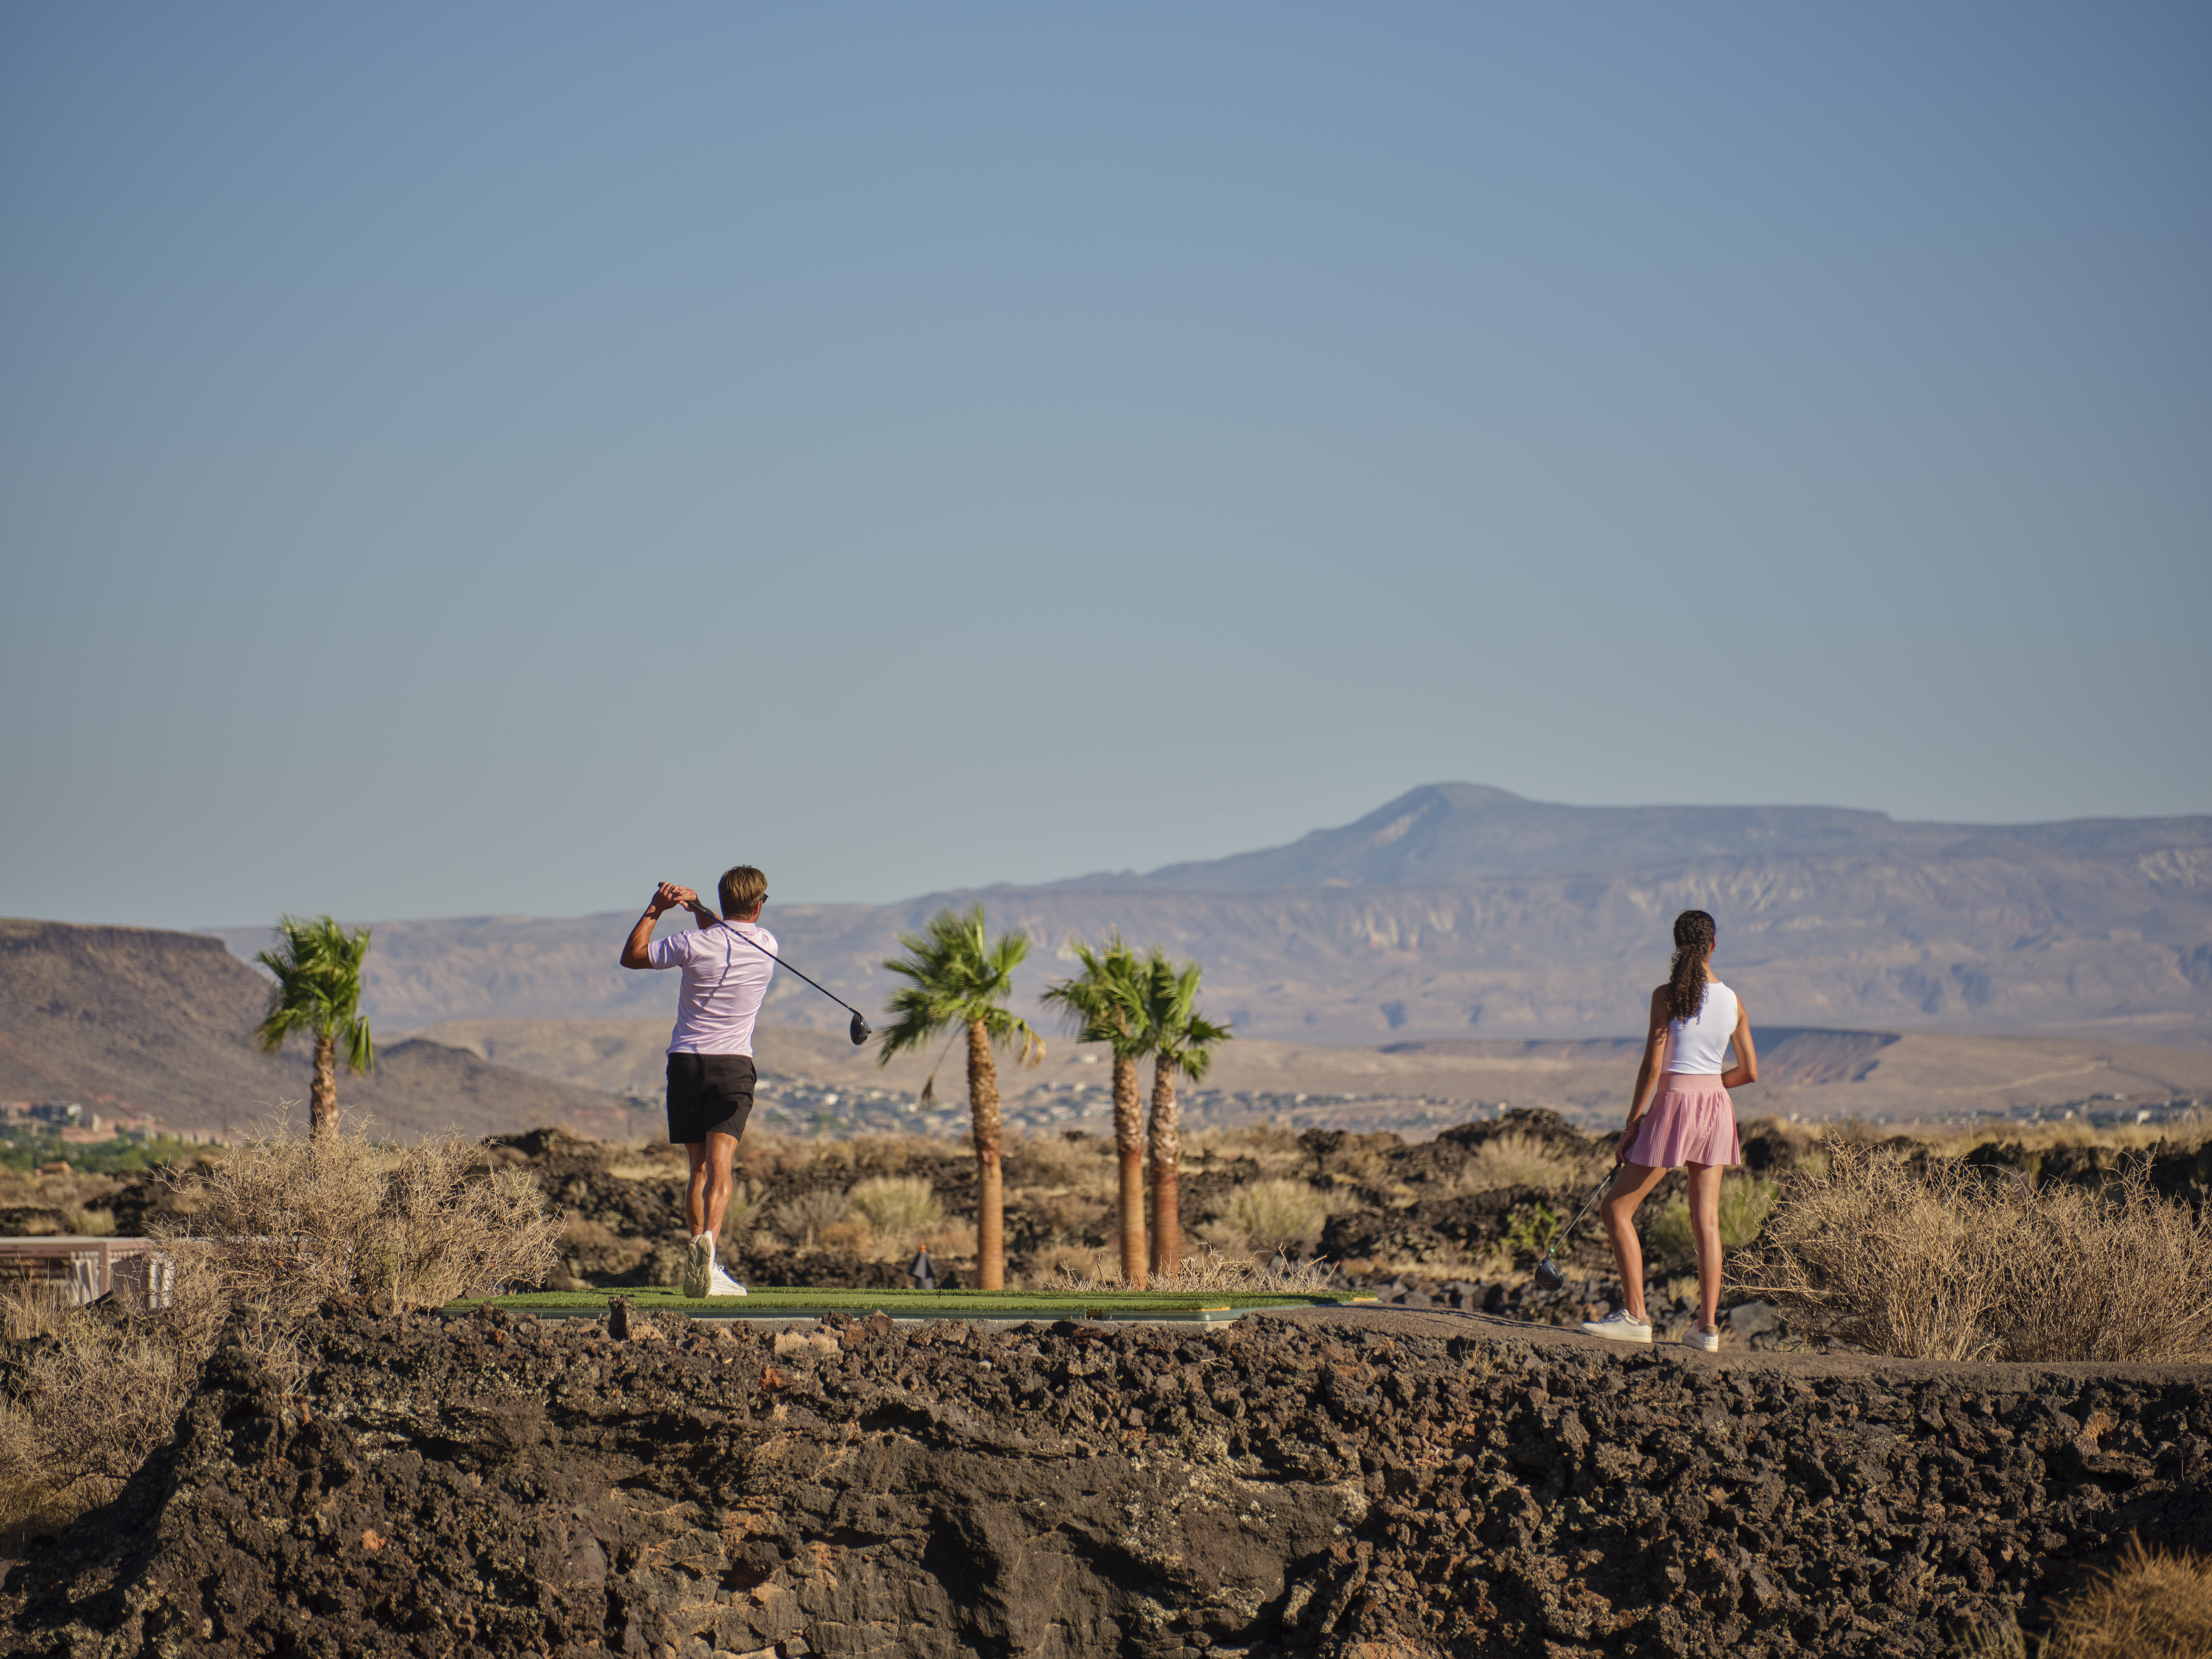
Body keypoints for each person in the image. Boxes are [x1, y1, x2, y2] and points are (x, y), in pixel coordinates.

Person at [1578, 909, 1759, 1351]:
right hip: (1716, 1108)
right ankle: (1706, 1329)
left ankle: (1637, 1317)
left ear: (1678, 945)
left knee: (1616, 1211)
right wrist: (1713, 1085)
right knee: (1707, 1223)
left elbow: (1652, 1065)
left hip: (1672, 1105)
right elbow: (1750, 1072)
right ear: (1713, 944)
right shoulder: (1733, 1001)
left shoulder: (1665, 995)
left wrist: (1631, 1122)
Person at [618, 866, 777, 1299]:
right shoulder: (767, 945)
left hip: (686, 1063)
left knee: (698, 1169)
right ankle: (710, 1258)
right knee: (721, 1167)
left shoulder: (692, 944)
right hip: (733, 1067)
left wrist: (658, 908)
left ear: (723, 902)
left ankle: (698, 1252)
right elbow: (730, 935)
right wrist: (698, 909)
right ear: (759, 905)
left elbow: (633, 956)